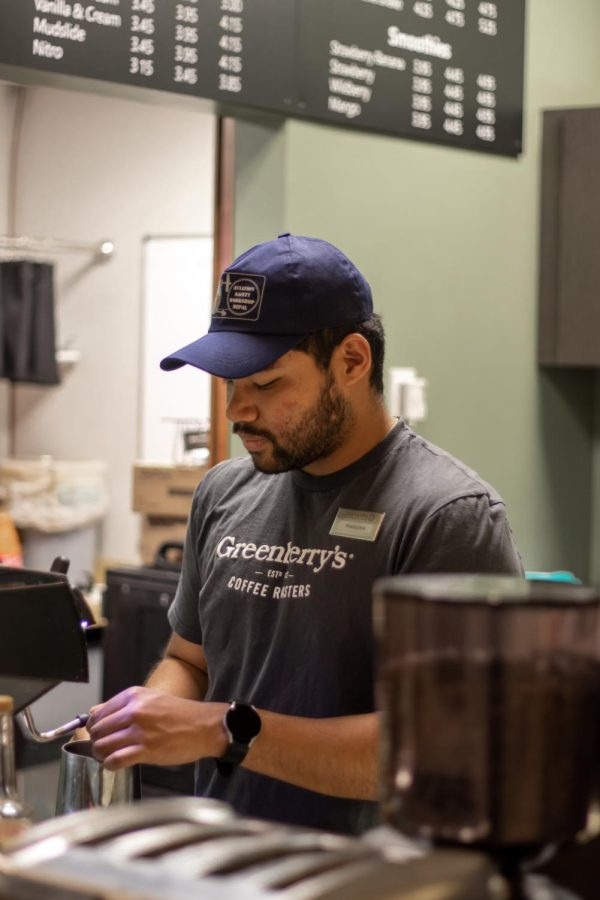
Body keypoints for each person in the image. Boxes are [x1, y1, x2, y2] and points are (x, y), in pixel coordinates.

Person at [88, 233, 523, 835]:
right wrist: (149, 715)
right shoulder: (223, 492)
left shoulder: (447, 514)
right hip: (224, 860)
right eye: (228, 384)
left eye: (265, 385)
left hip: (371, 877)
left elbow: (441, 747)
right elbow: (191, 661)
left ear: (351, 361)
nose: (237, 410)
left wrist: (222, 729)